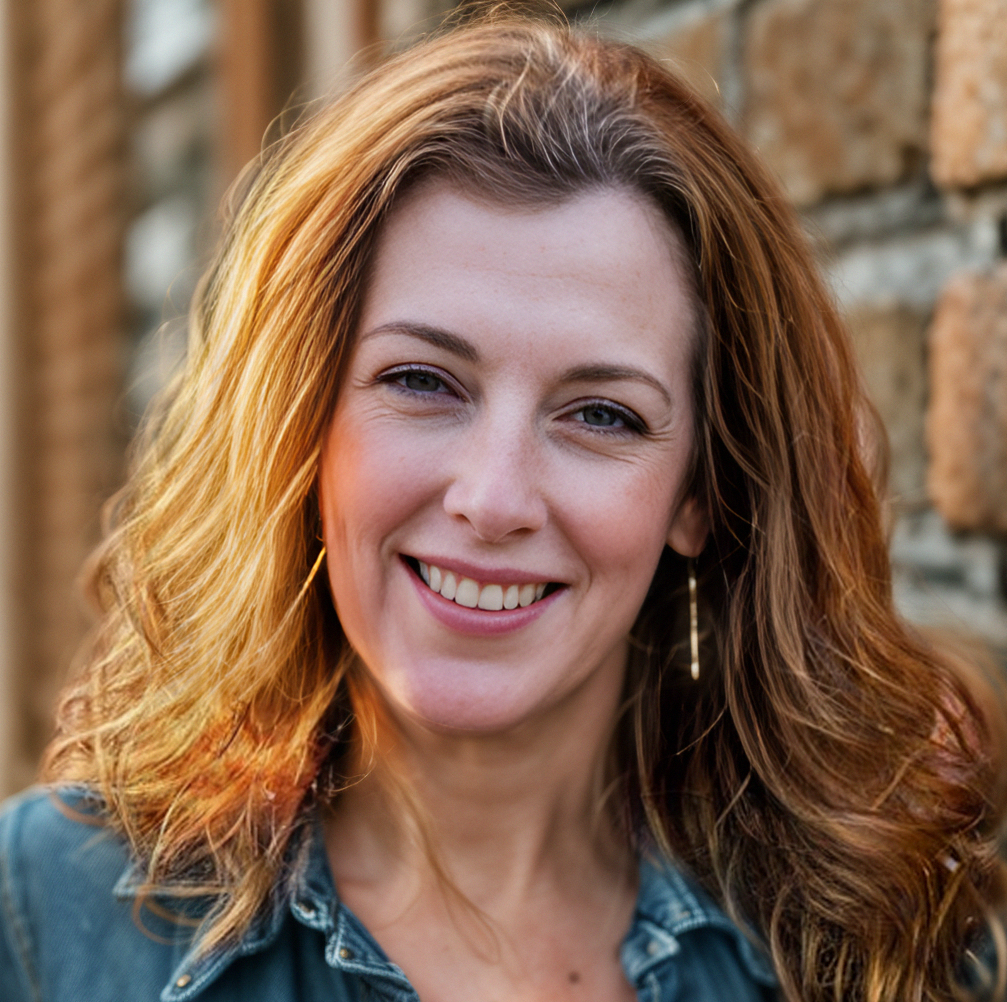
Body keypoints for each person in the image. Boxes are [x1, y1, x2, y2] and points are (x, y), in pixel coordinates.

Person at [2, 12, 1004, 1002]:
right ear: (302, 426)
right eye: (423, 382)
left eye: (601, 414)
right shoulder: (44, 913)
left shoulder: (864, 951)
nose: (490, 499)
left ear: (697, 496)